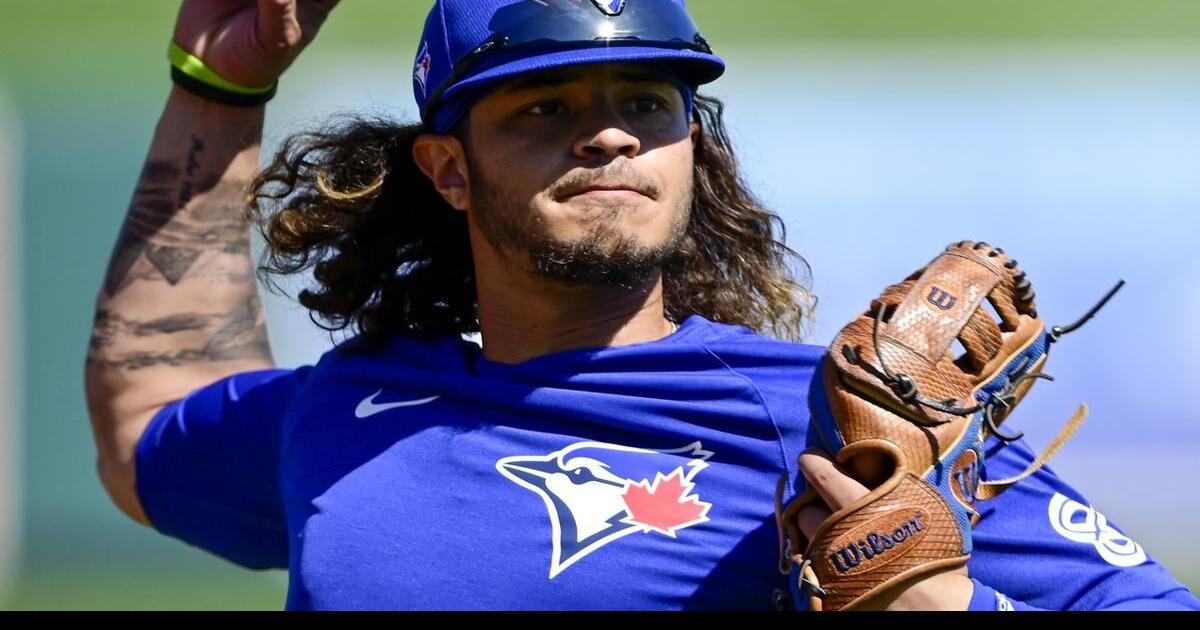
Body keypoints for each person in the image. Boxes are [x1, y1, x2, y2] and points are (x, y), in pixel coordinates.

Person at [84, 0, 1200, 611]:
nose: (611, 130)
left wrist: (942, 611)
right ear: (448, 171)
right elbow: (144, 435)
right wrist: (218, 88)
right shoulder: (351, 410)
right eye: (544, 105)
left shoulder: (842, 425)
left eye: (645, 99)